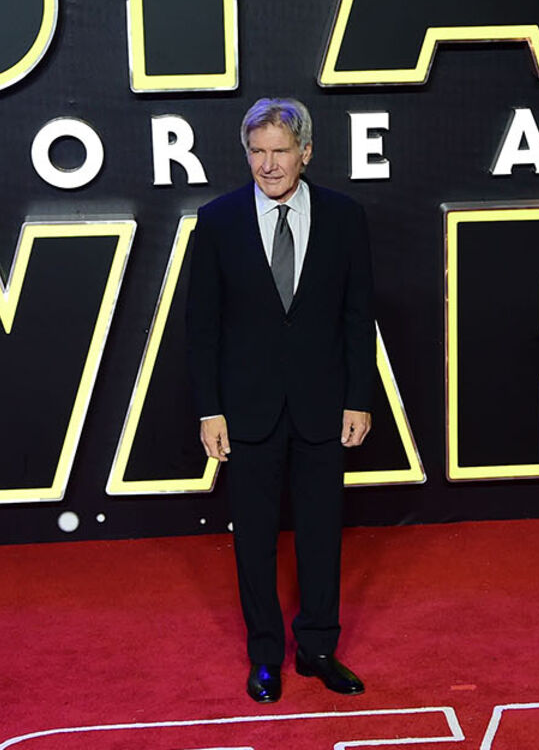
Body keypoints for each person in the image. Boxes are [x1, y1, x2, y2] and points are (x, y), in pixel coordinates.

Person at [187, 97, 375, 703]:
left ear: (306, 153)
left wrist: (359, 397)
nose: (268, 165)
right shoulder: (217, 220)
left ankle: (318, 649)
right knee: (255, 540)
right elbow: (203, 327)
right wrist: (209, 408)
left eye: (280, 151)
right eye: (257, 152)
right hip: (248, 410)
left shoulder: (346, 218)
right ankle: (265, 655)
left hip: (324, 404)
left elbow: (357, 316)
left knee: (322, 533)